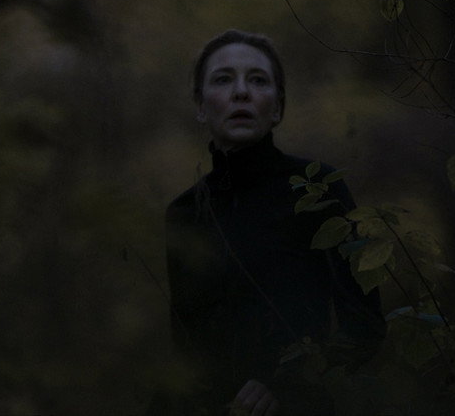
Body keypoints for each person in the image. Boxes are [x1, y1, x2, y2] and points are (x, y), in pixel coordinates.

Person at [161, 30, 385, 415]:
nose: (241, 92)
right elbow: (187, 349)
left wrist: (286, 383)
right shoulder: (184, 212)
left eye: (258, 80)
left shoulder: (317, 190)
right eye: (223, 79)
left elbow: (364, 326)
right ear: (200, 105)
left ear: (278, 107)